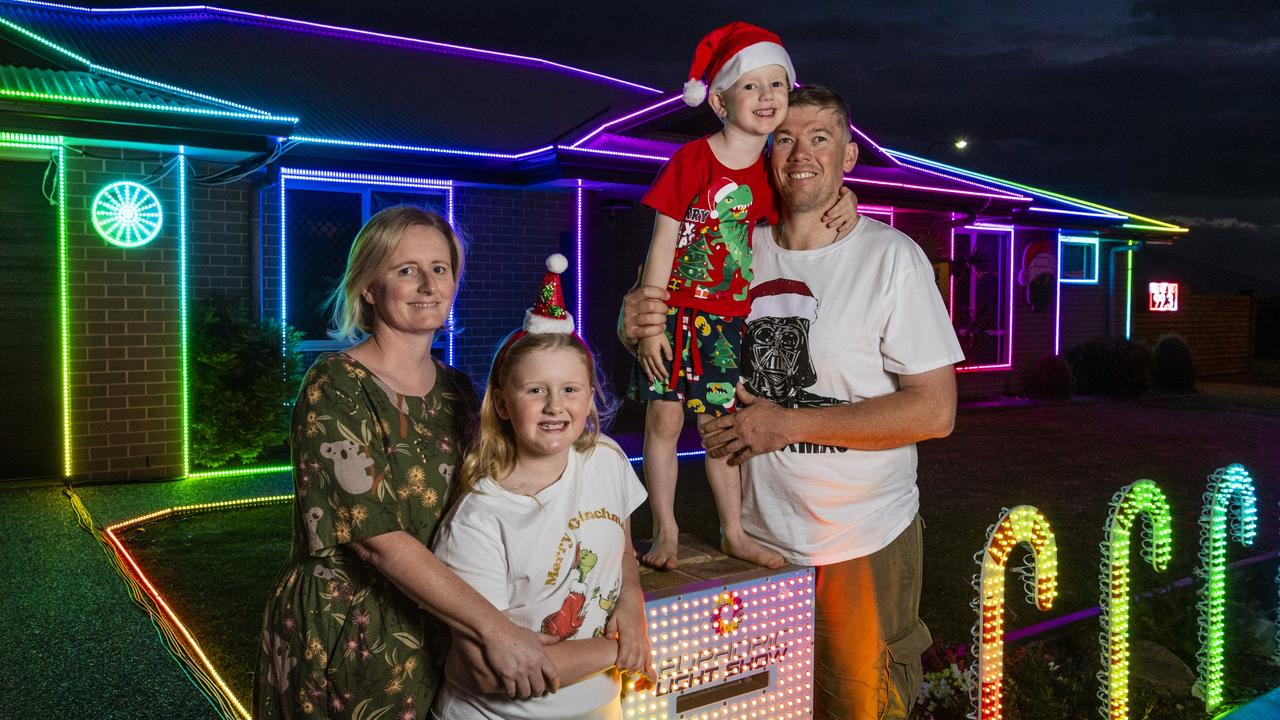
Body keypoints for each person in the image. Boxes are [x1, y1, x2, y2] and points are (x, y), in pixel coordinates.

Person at [621, 85, 964, 719]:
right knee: (761, 709)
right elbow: (671, 302)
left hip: (859, 544)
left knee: (859, 709)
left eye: (820, 138)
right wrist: (636, 316)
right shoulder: (738, 248)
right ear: (765, 152)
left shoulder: (891, 260)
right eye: (784, 137)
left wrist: (786, 424)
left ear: (849, 158)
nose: (799, 153)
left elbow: (934, 411)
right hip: (755, 541)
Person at [255, 206, 560, 719]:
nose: (427, 284)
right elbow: (378, 542)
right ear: (369, 288)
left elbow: (500, 495)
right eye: (405, 270)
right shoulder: (336, 383)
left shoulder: (458, 391)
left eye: (440, 269)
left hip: (438, 616)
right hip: (347, 628)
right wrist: (496, 628)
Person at [633, 21, 854, 571]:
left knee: (720, 429)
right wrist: (653, 321)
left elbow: (811, 201)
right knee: (663, 422)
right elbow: (662, 243)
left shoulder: (769, 173)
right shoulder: (692, 160)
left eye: (776, 85)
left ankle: (733, 530)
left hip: (726, 322)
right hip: (676, 315)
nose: (766, 97)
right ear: (719, 99)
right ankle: (665, 529)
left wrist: (847, 196)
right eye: (750, 86)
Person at [432, 255, 654, 719]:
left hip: (600, 705)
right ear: (504, 404)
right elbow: (487, 673)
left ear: (590, 396)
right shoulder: (480, 518)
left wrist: (631, 603)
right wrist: (619, 650)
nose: (555, 406)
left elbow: (623, 553)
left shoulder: (606, 461)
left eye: (570, 389)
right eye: (535, 390)